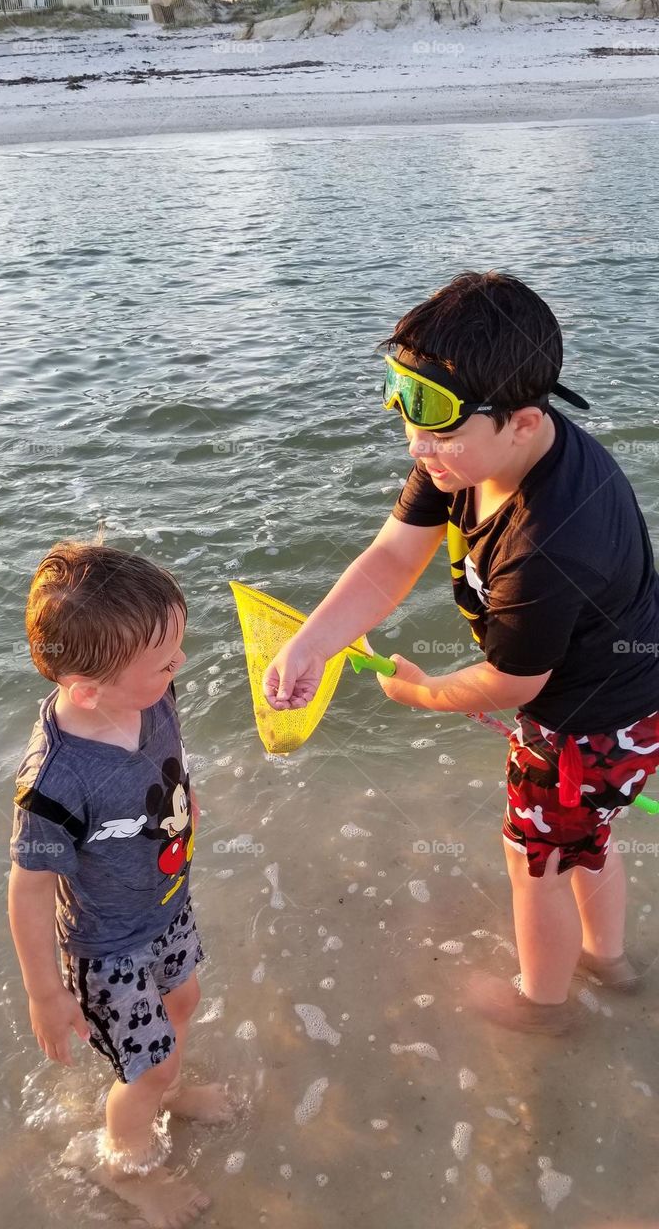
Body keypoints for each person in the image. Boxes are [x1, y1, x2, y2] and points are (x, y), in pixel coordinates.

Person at [263, 271, 659, 1034]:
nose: (418, 445)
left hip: (591, 724)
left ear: (522, 420)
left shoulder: (550, 540)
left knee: (533, 861)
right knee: (584, 840)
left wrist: (421, 692)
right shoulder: (459, 460)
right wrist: (313, 640)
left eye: (438, 428)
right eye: (405, 411)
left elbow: (514, 679)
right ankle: (610, 962)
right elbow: (389, 560)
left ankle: (543, 1006)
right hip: (612, 708)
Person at [9, 542, 230, 1228]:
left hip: (165, 905)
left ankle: (169, 1090)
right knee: (144, 1069)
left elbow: (167, 763)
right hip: (107, 947)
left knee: (185, 998)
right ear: (87, 691)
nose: (180, 668)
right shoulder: (56, 781)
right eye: (165, 663)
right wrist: (46, 994)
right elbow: (29, 890)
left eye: (177, 652)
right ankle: (123, 1160)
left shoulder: (148, 695)